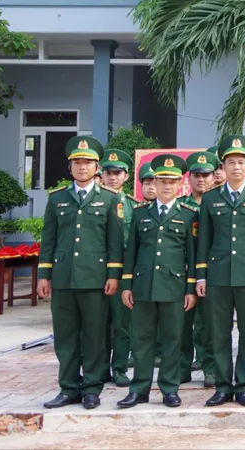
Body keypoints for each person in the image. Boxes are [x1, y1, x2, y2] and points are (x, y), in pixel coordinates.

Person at [38, 136, 125, 410]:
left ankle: (91, 388)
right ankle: (68, 388)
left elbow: (115, 241)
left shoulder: (110, 200)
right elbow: (49, 240)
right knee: (65, 336)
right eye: (77, 162)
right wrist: (44, 275)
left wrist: (113, 275)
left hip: (96, 278)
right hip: (64, 278)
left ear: (97, 166)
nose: (82, 166)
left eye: (87, 162)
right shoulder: (57, 199)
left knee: (94, 335)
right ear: (70, 167)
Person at [195, 134, 245, 407]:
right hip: (217, 275)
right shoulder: (210, 199)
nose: (236, 167)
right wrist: (201, 275)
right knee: (219, 332)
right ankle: (222, 385)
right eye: (231, 162)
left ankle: (243, 384)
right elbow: (203, 239)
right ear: (223, 167)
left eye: (241, 162)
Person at [117, 154, 197, 409]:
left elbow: (193, 257)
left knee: (173, 340)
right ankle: (139, 389)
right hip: (143, 286)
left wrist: (191, 289)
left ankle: (169, 389)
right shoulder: (141, 214)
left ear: (179, 184)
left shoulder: (187, 215)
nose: (165, 186)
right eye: (161, 180)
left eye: (171, 181)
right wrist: (127, 285)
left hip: (174, 288)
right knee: (142, 340)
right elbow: (131, 252)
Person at [179, 150, 219, 388]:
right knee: (181, 324)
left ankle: (210, 369)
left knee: (207, 325)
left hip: (209, 273)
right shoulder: (181, 205)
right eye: (196, 175)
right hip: (181, 272)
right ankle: (182, 368)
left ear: (214, 177)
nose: (201, 180)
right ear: (189, 178)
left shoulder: (218, 204)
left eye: (205, 175)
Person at [100, 149, 136, 388]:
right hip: (98, 273)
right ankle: (99, 370)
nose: (113, 177)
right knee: (98, 324)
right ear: (101, 175)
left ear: (126, 176)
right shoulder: (95, 201)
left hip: (123, 275)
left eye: (118, 173)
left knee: (123, 326)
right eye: (108, 172)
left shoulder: (134, 205)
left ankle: (120, 368)